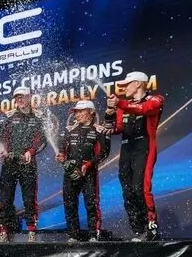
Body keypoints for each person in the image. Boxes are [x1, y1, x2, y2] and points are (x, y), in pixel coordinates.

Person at [105, 70, 165, 241]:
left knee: (141, 189)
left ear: (138, 83)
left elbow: (145, 109)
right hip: (126, 150)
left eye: (127, 84)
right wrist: (109, 114)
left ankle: (152, 229)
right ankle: (138, 230)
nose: (124, 88)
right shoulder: (124, 106)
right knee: (128, 190)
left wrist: (120, 103)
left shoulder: (155, 99)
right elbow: (117, 128)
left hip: (144, 148)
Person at [0, 86, 48, 242]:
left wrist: (31, 151)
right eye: (17, 98)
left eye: (22, 97)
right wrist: (3, 149)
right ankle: (4, 231)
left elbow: (42, 140)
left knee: (29, 199)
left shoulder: (38, 117)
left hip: (27, 164)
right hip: (9, 163)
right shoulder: (9, 116)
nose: (19, 100)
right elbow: (1, 137)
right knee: (5, 199)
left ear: (29, 97)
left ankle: (31, 231)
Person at [56, 101, 111, 242]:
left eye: (81, 111)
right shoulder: (69, 130)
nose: (77, 114)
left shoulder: (99, 130)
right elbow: (61, 149)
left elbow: (104, 153)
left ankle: (93, 234)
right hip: (71, 172)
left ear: (91, 112)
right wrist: (61, 155)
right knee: (69, 203)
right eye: (76, 112)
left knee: (91, 203)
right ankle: (73, 235)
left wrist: (89, 164)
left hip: (89, 172)